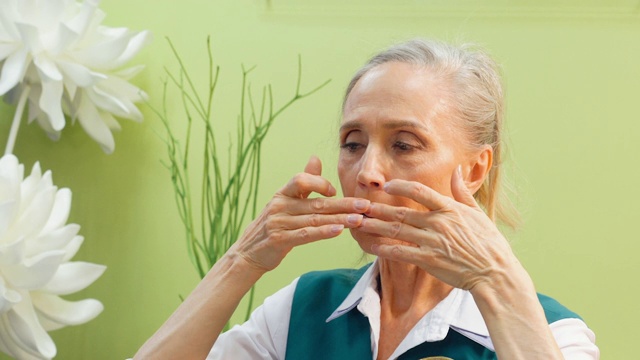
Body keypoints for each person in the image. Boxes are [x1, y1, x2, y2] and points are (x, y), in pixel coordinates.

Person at [134, 39, 599, 359]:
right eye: (353, 143)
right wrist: (242, 259)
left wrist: (496, 279)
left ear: (475, 169)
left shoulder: (557, 335)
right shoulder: (302, 309)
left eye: (403, 144)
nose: (367, 172)